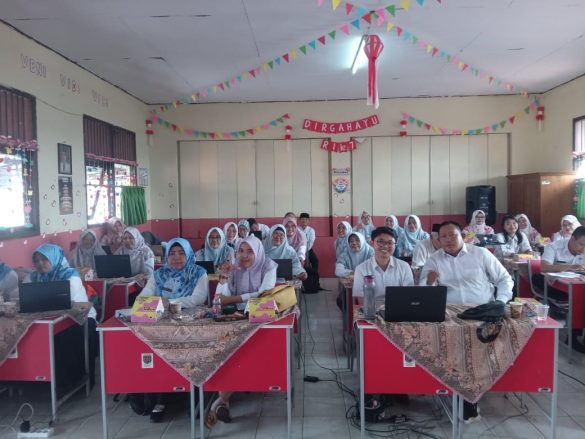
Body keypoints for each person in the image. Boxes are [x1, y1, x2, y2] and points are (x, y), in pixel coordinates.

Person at [420, 221, 513, 424]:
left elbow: (505, 279)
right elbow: (424, 294)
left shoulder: (481, 254)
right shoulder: (434, 260)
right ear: (438, 240)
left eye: (452, 235)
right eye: (443, 237)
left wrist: (500, 302)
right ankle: (463, 394)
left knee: (479, 348)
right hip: (451, 315)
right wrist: (429, 282)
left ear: (462, 235)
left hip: (483, 311)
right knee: (453, 349)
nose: (448, 240)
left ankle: (472, 392)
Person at [136, 238, 208, 421]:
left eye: (181, 253)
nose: (176, 258)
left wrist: (167, 302)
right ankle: (160, 396)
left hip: (189, 324)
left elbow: (197, 299)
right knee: (153, 352)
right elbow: (143, 298)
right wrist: (159, 305)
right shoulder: (158, 275)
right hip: (160, 323)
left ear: (189, 254)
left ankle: (192, 393)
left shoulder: (198, 273)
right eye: (172, 254)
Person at [210, 236, 277, 425]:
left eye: (249, 251)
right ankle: (221, 401)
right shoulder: (234, 268)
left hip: (261, 318)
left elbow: (263, 294)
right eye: (241, 251)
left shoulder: (269, 266)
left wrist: (233, 299)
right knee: (226, 349)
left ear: (258, 252)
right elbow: (219, 299)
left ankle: (221, 401)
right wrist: (224, 276)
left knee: (240, 351)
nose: (244, 256)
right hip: (236, 318)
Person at [24, 244, 98, 388]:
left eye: (44, 259)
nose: (40, 263)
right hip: (51, 319)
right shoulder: (34, 276)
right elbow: (23, 293)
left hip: (79, 319)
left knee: (63, 338)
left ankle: (73, 381)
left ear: (55, 258)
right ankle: (39, 379)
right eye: (37, 260)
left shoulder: (71, 276)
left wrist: (38, 297)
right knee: (32, 336)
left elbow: (65, 297)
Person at [536, 226, 585, 352]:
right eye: (581, 244)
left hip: (575, 285)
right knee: (578, 298)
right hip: (553, 285)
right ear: (572, 239)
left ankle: (578, 335)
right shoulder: (554, 246)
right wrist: (570, 267)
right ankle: (573, 338)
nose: (583, 249)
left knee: (580, 295)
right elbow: (544, 267)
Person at [352, 227, 414, 305]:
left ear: (395, 245)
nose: (385, 246)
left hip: (398, 309)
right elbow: (362, 301)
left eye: (390, 243)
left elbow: (408, 296)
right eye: (380, 242)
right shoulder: (361, 269)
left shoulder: (404, 267)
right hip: (372, 310)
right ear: (372, 243)